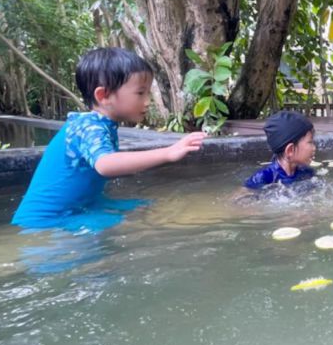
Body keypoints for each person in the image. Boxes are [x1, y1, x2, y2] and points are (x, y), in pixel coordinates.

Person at [12, 47, 205, 230]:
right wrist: (168, 152)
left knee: (145, 207)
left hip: (78, 208)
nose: (148, 101)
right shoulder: (88, 126)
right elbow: (105, 164)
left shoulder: (100, 125)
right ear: (104, 95)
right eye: (140, 93)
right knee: (143, 224)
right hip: (47, 222)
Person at [244, 110, 317, 189]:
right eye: (310, 142)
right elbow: (240, 196)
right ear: (290, 150)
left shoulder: (307, 173)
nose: (314, 148)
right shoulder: (262, 178)